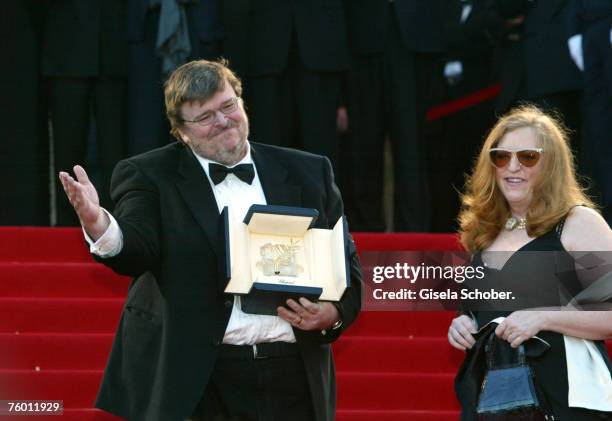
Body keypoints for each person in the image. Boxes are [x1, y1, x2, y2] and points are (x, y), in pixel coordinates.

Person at [58, 59, 362, 421]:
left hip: (293, 375)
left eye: (228, 106)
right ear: (181, 131)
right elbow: (137, 249)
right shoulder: (149, 175)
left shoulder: (310, 171)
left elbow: (345, 268)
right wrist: (100, 224)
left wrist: (333, 313)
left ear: (242, 103)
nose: (222, 121)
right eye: (204, 117)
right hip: (199, 379)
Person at [447, 105, 612, 419]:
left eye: (527, 157)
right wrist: (463, 325)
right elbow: (477, 311)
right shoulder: (485, 232)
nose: (513, 167)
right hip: (493, 397)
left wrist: (543, 317)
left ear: (551, 165)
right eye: (501, 156)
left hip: (564, 397)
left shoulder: (577, 222)